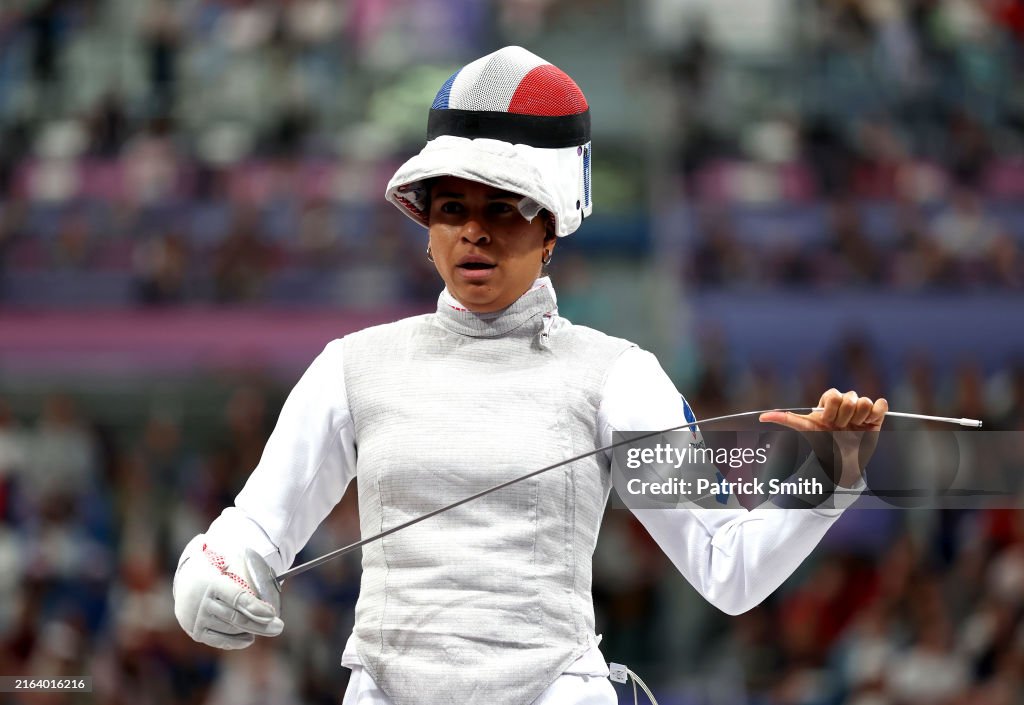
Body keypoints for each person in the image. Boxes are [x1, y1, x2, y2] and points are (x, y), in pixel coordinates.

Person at [172, 46, 889, 705]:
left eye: (503, 209)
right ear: (426, 225)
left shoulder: (617, 378)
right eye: (452, 209)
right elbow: (250, 533)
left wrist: (829, 471)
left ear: (550, 227)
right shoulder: (353, 368)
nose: (474, 232)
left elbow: (726, 565)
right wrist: (209, 575)